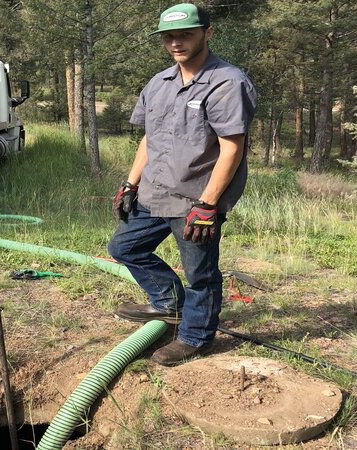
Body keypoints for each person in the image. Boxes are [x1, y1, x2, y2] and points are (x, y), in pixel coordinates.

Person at [107, 3, 257, 366]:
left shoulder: (227, 82)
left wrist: (208, 204)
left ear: (207, 33)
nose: (176, 43)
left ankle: (195, 337)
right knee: (124, 248)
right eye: (169, 36)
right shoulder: (159, 83)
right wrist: (130, 183)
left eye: (185, 34)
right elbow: (149, 138)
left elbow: (231, 148)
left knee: (200, 275)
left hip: (196, 200)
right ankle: (169, 304)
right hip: (154, 192)